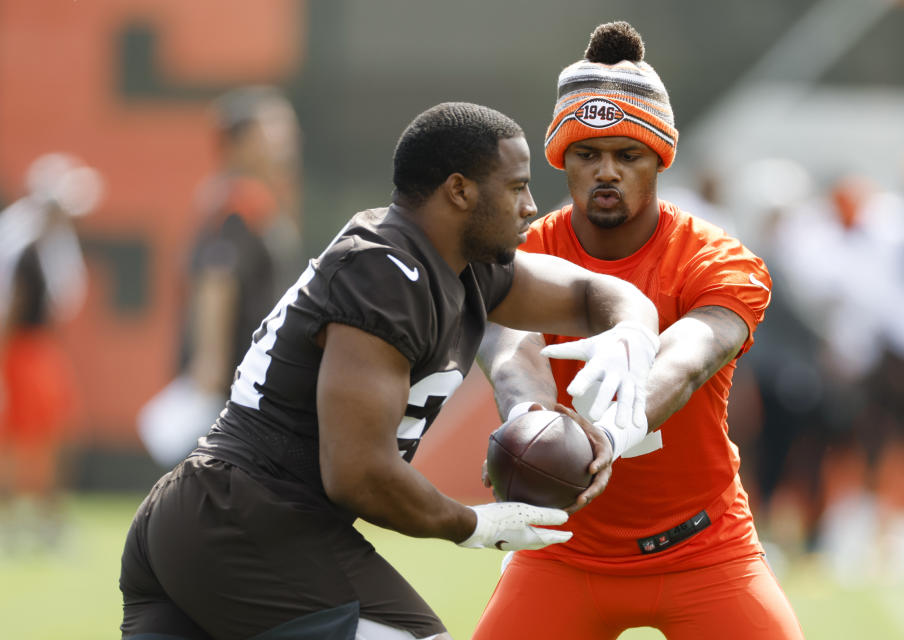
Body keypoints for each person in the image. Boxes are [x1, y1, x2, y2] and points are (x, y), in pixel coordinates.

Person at [119, 101, 661, 639]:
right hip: (246, 519)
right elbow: (357, 471)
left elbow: (595, 293)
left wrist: (630, 333)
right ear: (460, 190)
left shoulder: (454, 267)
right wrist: (473, 524)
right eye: (517, 186)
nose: (530, 206)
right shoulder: (384, 273)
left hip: (215, 519)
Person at [473, 23, 804, 639]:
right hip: (564, 550)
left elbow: (692, 354)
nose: (606, 172)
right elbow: (511, 346)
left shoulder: (716, 257)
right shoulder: (526, 251)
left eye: (627, 155)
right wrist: (528, 420)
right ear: (560, 160)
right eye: (587, 154)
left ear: (659, 159)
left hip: (702, 547)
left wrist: (615, 426)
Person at [138, 86, 304, 468]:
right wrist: (210, 366)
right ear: (240, 142)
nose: (288, 141)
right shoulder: (237, 203)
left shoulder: (249, 199)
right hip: (233, 377)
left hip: (245, 374)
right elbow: (216, 281)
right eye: (274, 131)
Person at [0, 152, 101, 551]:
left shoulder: (46, 241)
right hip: (22, 350)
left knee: (54, 436)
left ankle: (45, 521)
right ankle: (23, 522)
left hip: (39, 348)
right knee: (20, 438)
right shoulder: (22, 243)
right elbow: (12, 306)